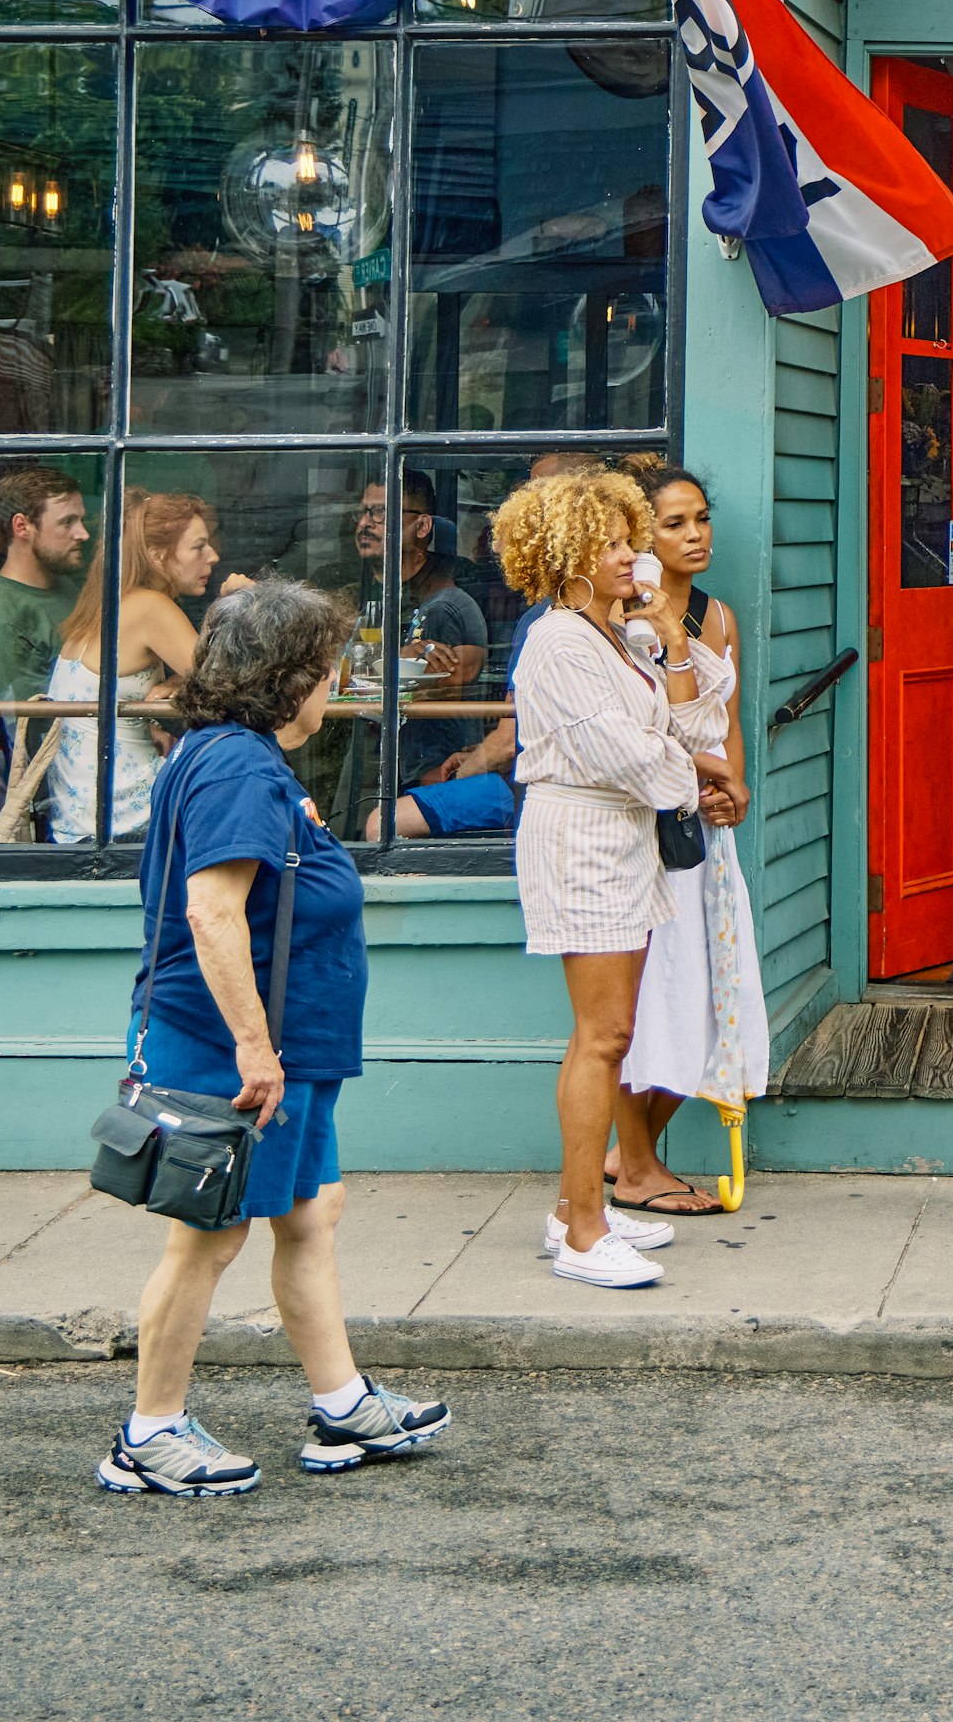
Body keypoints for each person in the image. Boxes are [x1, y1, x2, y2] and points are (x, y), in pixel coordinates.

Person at [98, 577, 450, 1497]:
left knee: (309, 1212)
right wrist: (256, 1050)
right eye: (327, 671)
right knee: (207, 1240)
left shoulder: (237, 758)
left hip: (287, 1049)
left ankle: (342, 1408)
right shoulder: (238, 769)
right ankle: (148, 1434)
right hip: (235, 1052)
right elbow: (211, 913)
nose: (333, 689)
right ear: (287, 678)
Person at [498, 467, 730, 1289]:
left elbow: (700, 717)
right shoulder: (558, 642)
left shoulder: (615, 633)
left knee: (608, 1035)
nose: (633, 552)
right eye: (616, 541)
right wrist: (688, 767)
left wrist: (669, 639)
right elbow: (636, 759)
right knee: (602, 1039)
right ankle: (585, 1232)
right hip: (583, 839)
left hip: (622, 839)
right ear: (569, 558)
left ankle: (573, 1210)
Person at [610, 466, 763, 1221]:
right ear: (642, 539)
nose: (695, 534)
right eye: (674, 523)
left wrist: (735, 785)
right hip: (651, 829)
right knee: (650, 995)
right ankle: (634, 1161)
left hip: (707, 826)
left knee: (712, 994)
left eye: (700, 517)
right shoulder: (626, 622)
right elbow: (660, 733)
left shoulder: (719, 616)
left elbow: (724, 724)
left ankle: (629, 1152)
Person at [377, 452, 605, 843]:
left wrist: (468, 770)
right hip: (552, 780)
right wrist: (476, 756)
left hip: (536, 788)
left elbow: (509, 738)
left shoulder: (545, 617)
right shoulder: (563, 606)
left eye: (536, 495)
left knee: (384, 822)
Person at [46, 493, 219, 848]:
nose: (213, 556)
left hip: (81, 816)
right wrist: (244, 603)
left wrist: (175, 680)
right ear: (157, 556)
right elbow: (234, 685)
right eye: (199, 547)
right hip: (128, 817)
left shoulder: (106, 604)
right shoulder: (150, 607)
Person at [349, 473, 488, 795]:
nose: (365, 524)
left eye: (380, 512)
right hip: (360, 751)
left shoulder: (452, 593)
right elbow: (327, 667)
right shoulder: (346, 587)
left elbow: (460, 673)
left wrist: (418, 661)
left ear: (423, 526)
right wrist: (398, 658)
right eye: (363, 512)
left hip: (434, 762)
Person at [0, 468, 89, 706]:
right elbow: (33, 729)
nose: (83, 534)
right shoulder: (1, 624)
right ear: (22, 526)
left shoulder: (63, 583)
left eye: (80, 520)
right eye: (67, 522)